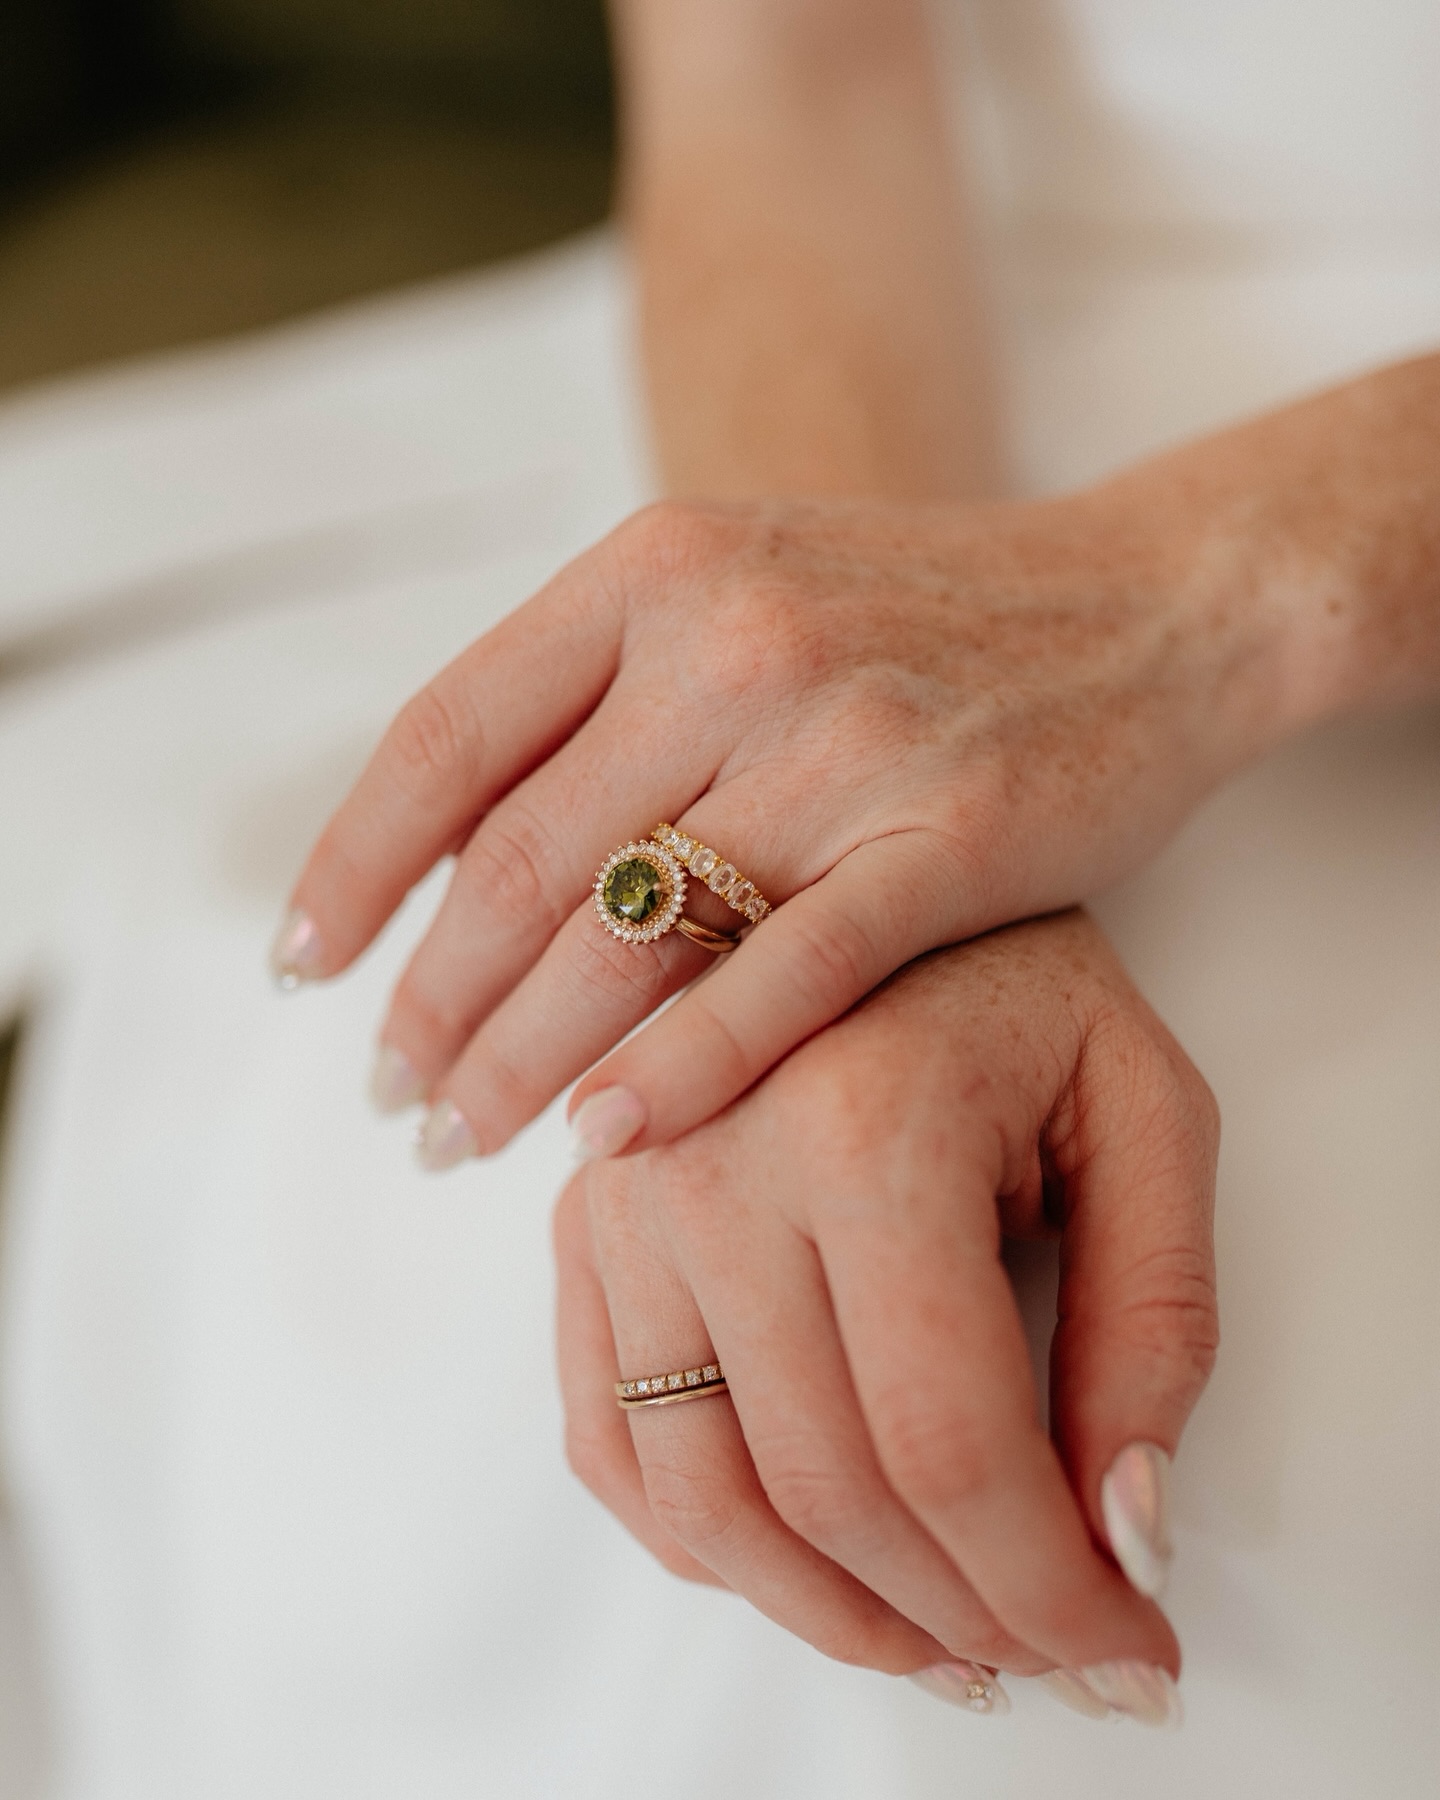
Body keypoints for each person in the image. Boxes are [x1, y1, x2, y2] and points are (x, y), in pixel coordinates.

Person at [275, 0, 1440, 1734]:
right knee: (621, 1318)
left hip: (1333, 510)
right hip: (922, 362)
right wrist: (836, 805)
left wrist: (1181, 594)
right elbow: (783, 69)